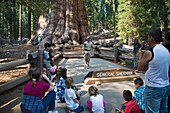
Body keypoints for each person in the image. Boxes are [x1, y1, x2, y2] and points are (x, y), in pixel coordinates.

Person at [138, 28, 170, 113]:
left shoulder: (150, 51)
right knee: (164, 110)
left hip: (154, 87)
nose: (148, 40)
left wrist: (140, 55)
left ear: (151, 38)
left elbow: (139, 68)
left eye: (148, 37)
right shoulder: (166, 50)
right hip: (165, 85)